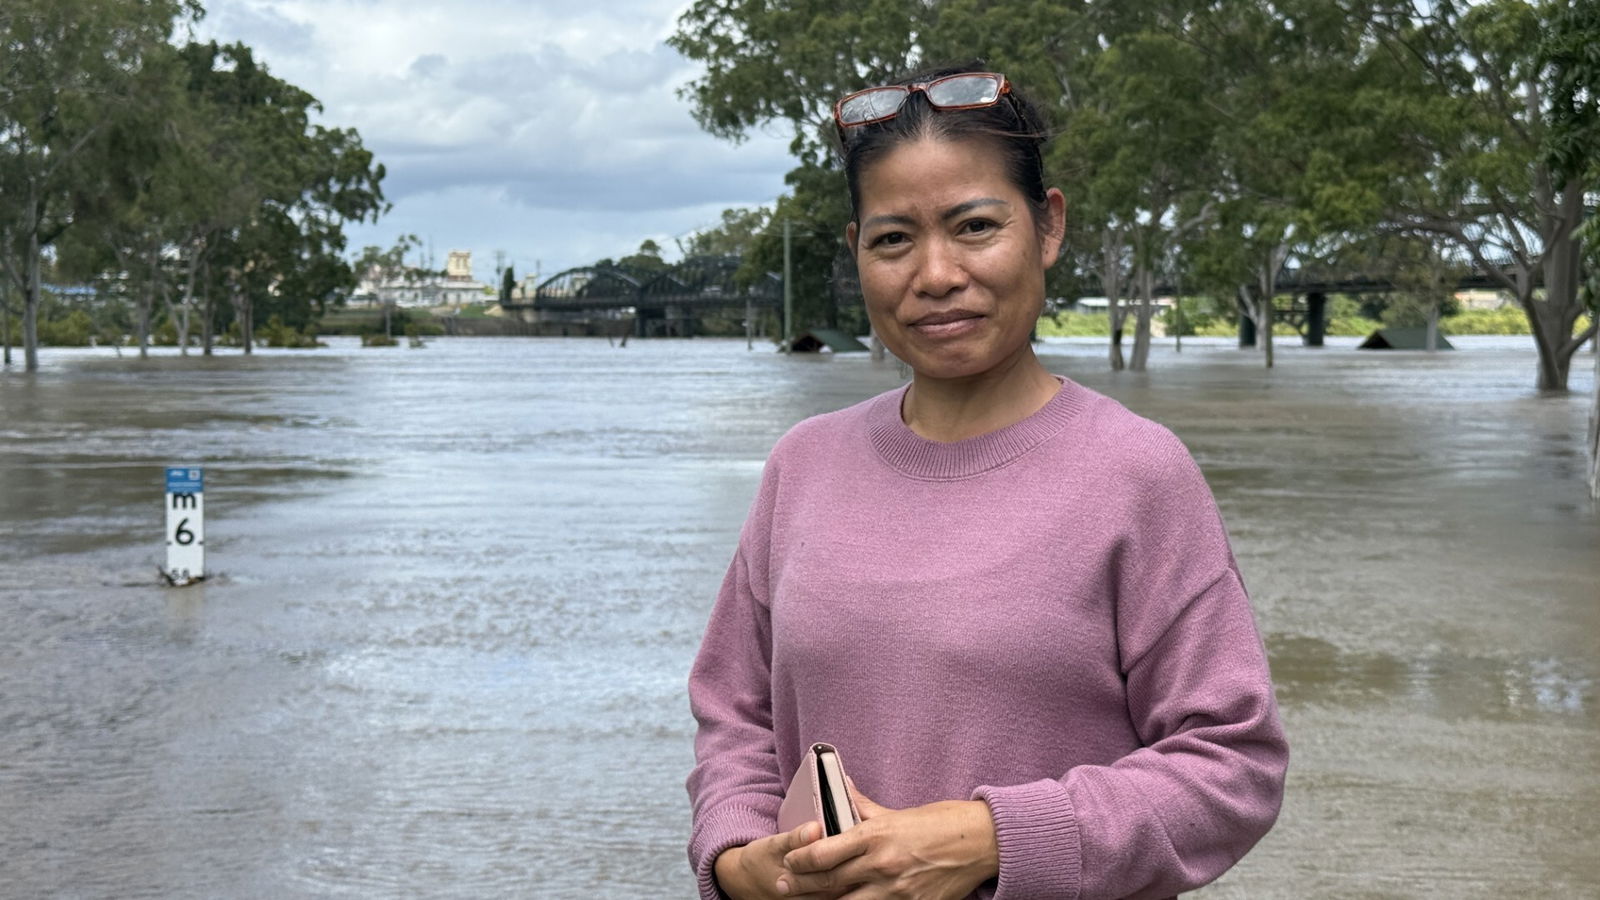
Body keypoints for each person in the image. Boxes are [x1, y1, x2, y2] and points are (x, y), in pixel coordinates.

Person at [686, 64, 1288, 900]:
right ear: (855, 252)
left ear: (1047, 226)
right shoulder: (802, 465)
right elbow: (736, 717)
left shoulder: (1137, 474)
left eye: (974, 226)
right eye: (893, 239)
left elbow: (1233, 768)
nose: (934, 274)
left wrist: (992, 840)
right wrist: (740, 856)